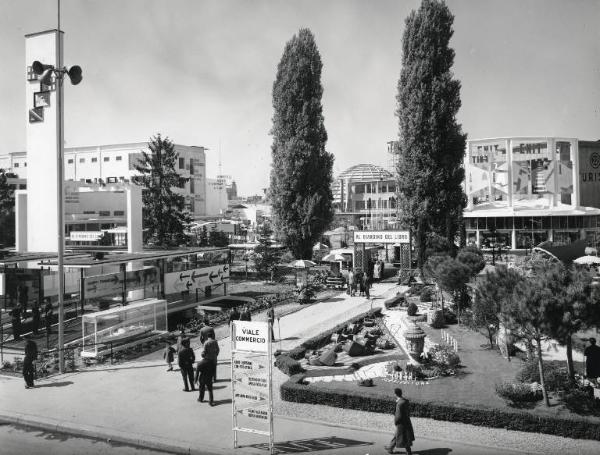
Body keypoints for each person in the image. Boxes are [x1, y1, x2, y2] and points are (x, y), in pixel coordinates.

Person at [385, 388, 415, 454]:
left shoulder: (399, 404)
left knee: (403, 436)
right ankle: (390, 448)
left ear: (395, 394)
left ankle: (408, 451)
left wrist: (396, 422)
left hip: (401, 423)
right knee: (398, 435)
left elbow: (398, 415)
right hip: (406, 421)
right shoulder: (405, 401)